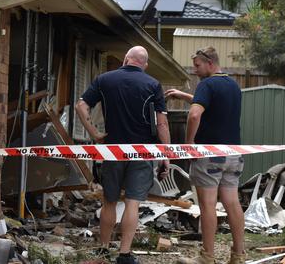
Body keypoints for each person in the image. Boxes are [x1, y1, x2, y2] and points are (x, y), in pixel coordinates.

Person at [75, 46, 171, 264]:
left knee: (109, 201)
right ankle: (124, 255)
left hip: (112, 150)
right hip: (143, 152)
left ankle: (103, 248)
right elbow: (162, 123)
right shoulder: (153, 84)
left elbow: (81, 106)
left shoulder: (105, 79)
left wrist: (95, 134)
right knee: (132, 203)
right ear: (144, 65)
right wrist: (166, 155)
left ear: (126, 59)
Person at [165, 47, 245, 264]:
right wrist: (185, 96)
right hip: (234, 155)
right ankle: (238, 255)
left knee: (208, 205)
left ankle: (207, 257)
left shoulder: (207, 84)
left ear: (210, 63)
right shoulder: (233, 86)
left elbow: (194, 115)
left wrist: (189, 144)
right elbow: (211, 104)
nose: (194, 70)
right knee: (232, 202)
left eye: (197, 65)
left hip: (209, 155)